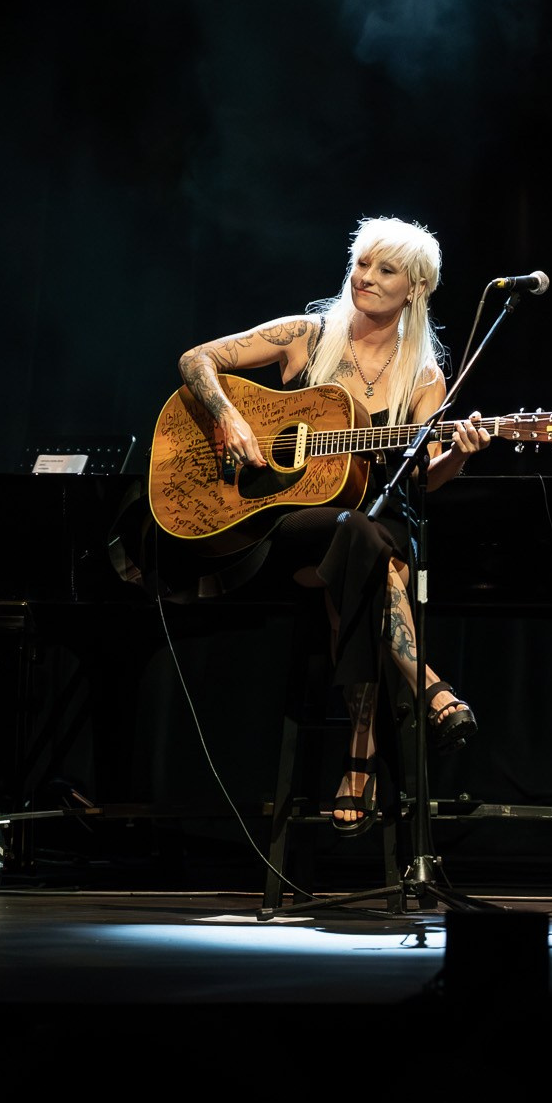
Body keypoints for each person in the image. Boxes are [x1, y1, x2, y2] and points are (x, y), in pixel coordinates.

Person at [174, 215, 491, 834]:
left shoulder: (424, 379)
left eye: (385, 270)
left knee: (363, 536)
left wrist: (459, 452)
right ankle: (422, 686)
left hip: (365, 529)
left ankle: (363, 745)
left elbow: (424, 478)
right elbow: (196, 359)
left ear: (416, 289)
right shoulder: (307, 336)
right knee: (364, 542)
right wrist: (229, 420)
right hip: (287, 531)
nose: (365, 278)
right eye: (361, 263)